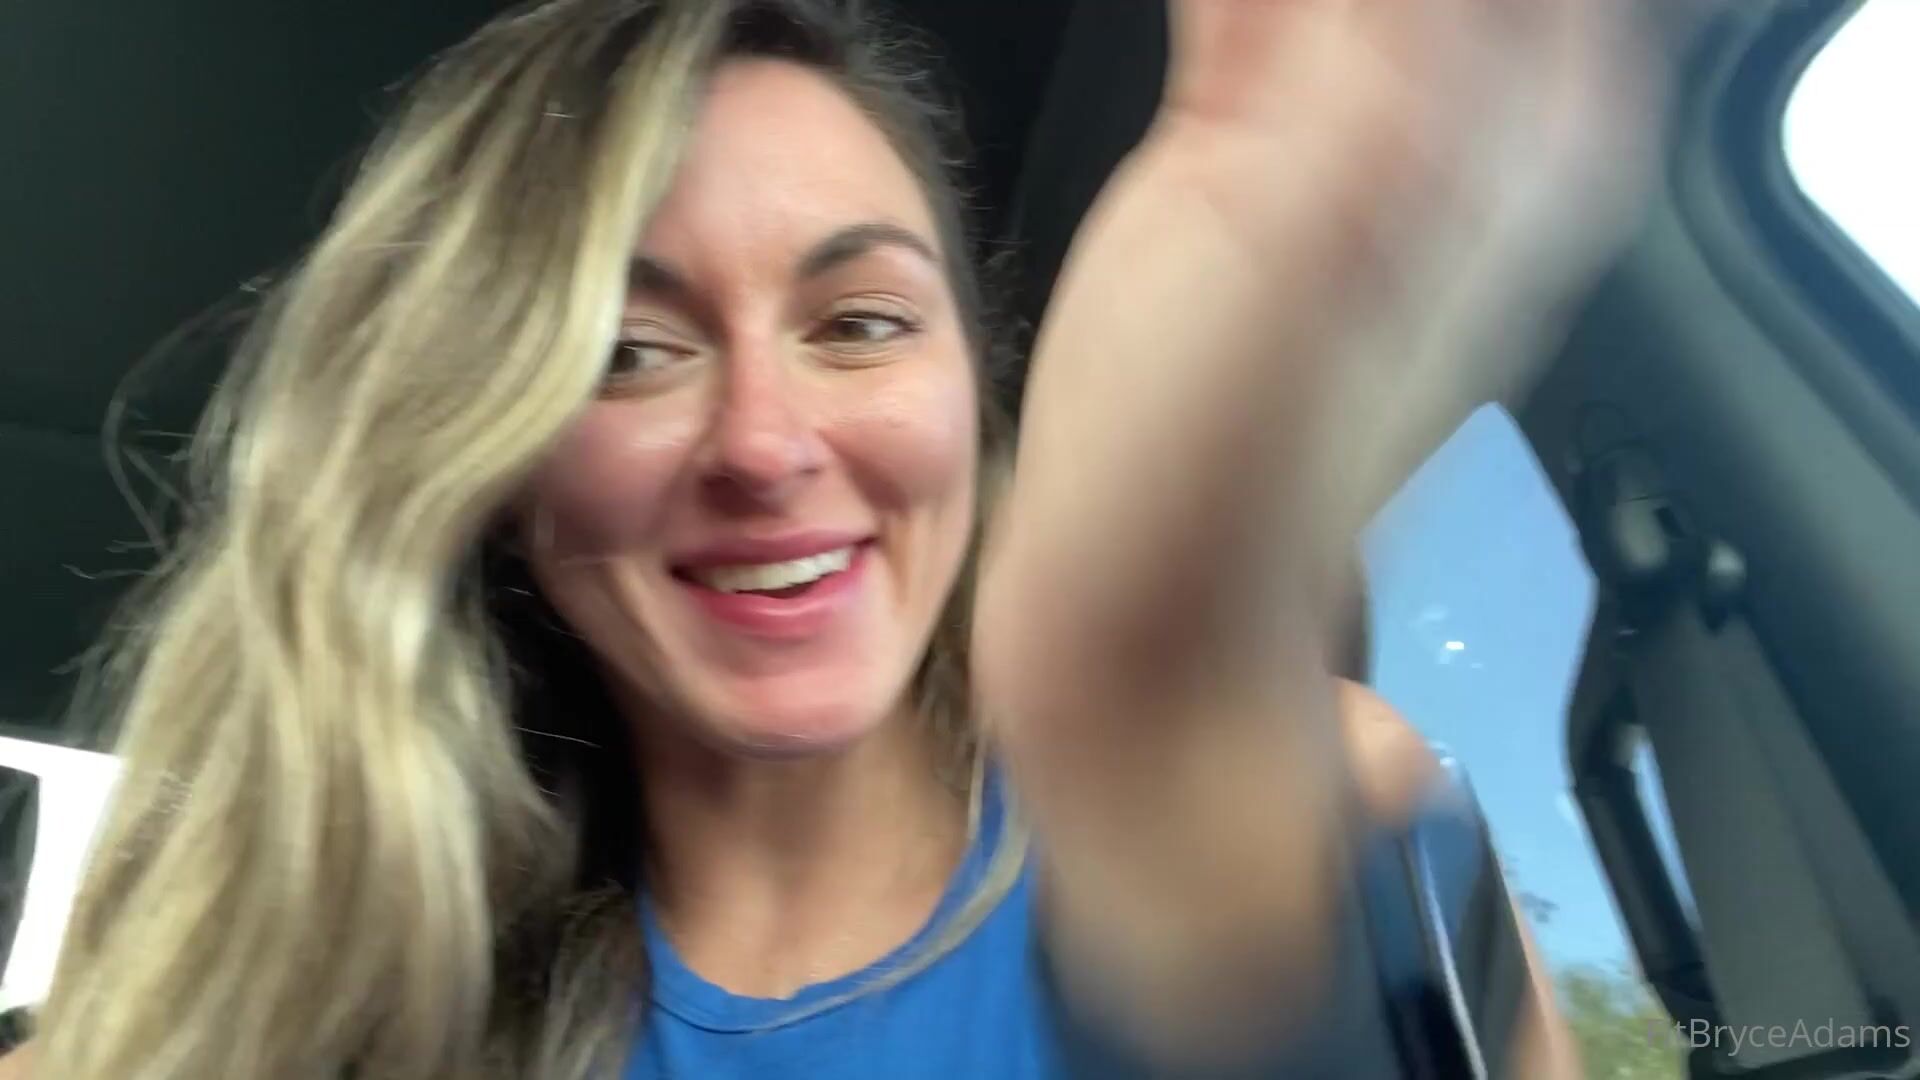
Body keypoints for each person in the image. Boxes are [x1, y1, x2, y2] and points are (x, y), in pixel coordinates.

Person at [10, 0, 1649, 1076]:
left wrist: (1143, 627)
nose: (766, 443)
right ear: (503, 467)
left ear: (968, 388)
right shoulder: (342, 991)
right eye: (628, 352)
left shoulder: (1300, 796)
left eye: (860, 324)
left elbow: (1181, 797)